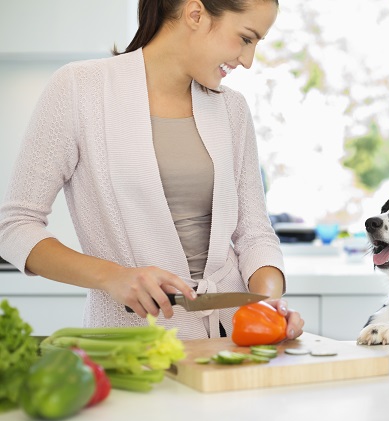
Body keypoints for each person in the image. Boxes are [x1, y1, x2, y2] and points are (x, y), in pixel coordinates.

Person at [0, 0, 304, 340]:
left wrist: (268, 302)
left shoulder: (231, 108)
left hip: (236, 335)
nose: (248, 61)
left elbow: (254, 233)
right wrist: (113, 276)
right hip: (134, 342)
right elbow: (14, 227)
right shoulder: (80, 88)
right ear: (195, 14)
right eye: (246, 38)